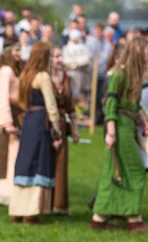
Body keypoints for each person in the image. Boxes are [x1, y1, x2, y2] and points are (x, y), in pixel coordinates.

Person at [91, 37, 148, 233]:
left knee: (114, 172)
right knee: (135, 172)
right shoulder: (119, 73)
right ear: (137, 50)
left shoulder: (133, 75)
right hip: (119, 128)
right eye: (147, 51)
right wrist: (111, 132)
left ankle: (99, 218)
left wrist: (144, 122)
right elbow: (110, 105)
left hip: (127, 125)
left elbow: (134, 106)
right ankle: (134, 219)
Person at [8, 41, 61, 225]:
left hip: (29, 120)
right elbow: (51, 104)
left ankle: (17, 210)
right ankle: (31, 213)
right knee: (38, 163)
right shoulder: (42, 76)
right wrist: (56, 127)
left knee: (25, 163)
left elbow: (21, 101)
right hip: (40, 121)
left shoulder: (25, 75)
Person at [0, 45, 22, 206]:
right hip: (9, 115)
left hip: (16, 112)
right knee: (9, 156)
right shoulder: (6, 71)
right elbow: (3, 97)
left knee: (14, 154)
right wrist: (7, 121)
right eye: (16, 50)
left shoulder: (14, 70)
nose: (19, 53)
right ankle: (5, 194)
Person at [51, 47, 79, 215]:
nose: (59, 59)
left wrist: (74, 129)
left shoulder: (66, 79)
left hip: (61, 123)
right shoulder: (44, 78)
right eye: (56, 56)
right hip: (46, 123)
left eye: (60, 56)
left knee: (61, 165)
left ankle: (59, 205)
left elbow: (71, 107)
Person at [86, 22, 113, 124]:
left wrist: (99, 61)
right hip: (91, 74)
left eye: (99, 31)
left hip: (102, 73)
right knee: (92, 95)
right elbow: (88, 55)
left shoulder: (106, 44)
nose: (97, 33)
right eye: (96, 30)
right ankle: (92, 115)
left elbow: (105, 57)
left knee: (101, 94)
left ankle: (100, 115)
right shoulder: (90, 42)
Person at [63, 29, 90, 98]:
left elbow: (86, 60)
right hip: (69, 72)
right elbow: (65, 60)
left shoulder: (84, 48)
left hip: (81, 73)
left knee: (80, 94)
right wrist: (75, 61)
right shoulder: (66, 48)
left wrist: (75, 61)